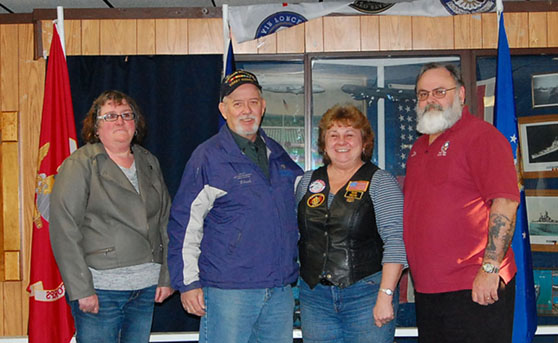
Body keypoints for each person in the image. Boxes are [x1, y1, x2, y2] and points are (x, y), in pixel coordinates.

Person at [167, 70, 303, 343]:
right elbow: (184, 225)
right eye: (237, 103)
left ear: (263, 107)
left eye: (253, 102)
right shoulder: (207, 157)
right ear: (223, 109)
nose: (247, 110)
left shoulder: (279, 155)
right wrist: (188, 283)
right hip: (228, 291)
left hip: (279, 291)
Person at [403, 63, 520, 343]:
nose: (430, 99)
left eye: (440, 91)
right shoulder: (419, 148)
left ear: (462, 94)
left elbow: (505, 203)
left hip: (475, 286)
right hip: (430, 291)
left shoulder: (482, 137)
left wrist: (490, 269)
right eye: (422, 94)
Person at [50, 90, 174, 343]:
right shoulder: (80, 164)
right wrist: (81, 289)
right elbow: (65, 229)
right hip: (101, 289)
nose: (120, 121)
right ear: (96, 128)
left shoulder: (149, 162)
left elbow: (166, 222)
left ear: (135, 123)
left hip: (146, 288)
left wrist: (167, 276)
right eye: (110, 116)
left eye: (126, 115)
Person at [296, 104, 407, 342]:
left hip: (366, 295)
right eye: (333, 135)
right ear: (324, 143)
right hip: (315, 297)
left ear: (364, 142)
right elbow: (298, 236)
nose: (341, 141)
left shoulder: (381, 182)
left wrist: (385, 295)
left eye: (349, 134)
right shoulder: (307, 182)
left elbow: (396, 241)